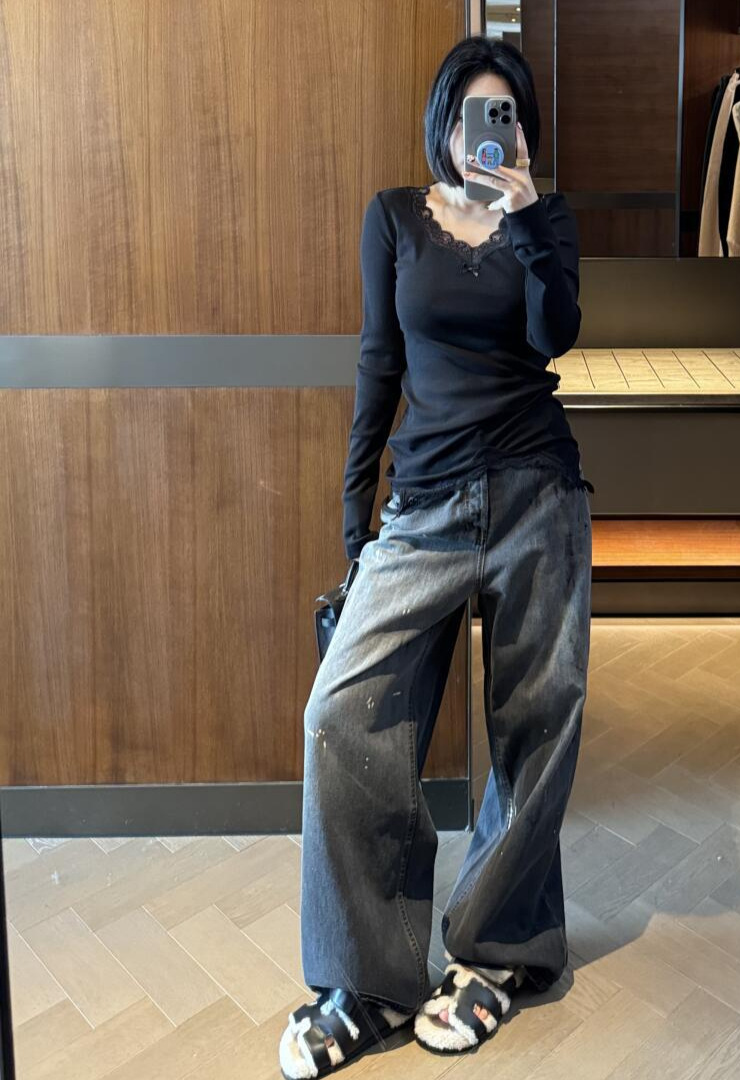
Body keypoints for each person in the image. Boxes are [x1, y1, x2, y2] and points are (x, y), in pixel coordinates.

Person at [278, 34, 593, 1080]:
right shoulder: (392, 217)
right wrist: (355, 517)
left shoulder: (546, 220)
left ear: (522, 130)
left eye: (505, 116)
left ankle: (498, 955)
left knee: (535, 727)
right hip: (425, 502)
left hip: (537, 493)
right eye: (471, 116)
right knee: (342, 714)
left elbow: (554, 336)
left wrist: (529, 218)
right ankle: (368, 982)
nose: (485, 135)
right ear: (444, 123)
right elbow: (379, 363)